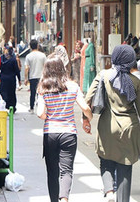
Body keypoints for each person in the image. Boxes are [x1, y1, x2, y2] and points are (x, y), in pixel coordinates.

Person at [84, 45, 140, 202]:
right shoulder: (135, 81)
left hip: (107, 126)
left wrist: (85, 119)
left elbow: (88, 98)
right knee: (125, 166)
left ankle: (109, 192)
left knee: (106, 159)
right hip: (130, 127)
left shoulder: (104, 75)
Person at [36, 54, 92, 202]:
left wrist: (50, 115)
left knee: (52, 172)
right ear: (62, 69)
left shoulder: (43, 88)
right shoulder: (73, 86)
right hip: (69, 133)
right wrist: (88, 118)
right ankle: (64, 199)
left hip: (50, 134)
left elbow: (40, 113)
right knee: (66, 170)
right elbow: (85, 107)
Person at [25, 39, 46, 113]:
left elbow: (27, 68)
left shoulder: (28, 56)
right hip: (41, 76)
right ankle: (41, 107)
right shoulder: (43, 55)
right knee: (41, 92)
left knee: (32, 93)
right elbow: (45, 66)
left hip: (32, 76)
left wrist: (26, 78)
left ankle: (31, 108)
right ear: (37, 45)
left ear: (30, 47)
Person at [0, 47, 21, 112]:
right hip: (11, 78)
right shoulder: (13, 59)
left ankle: (5, 105)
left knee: (3, 92)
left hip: (3, 78)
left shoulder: (1, 59)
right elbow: (17, 70)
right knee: (11, 93)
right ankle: (12, 107)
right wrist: (19, 79)